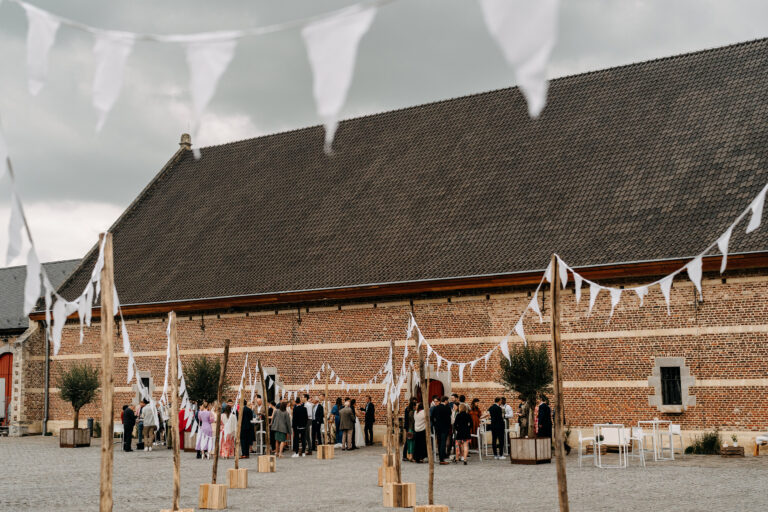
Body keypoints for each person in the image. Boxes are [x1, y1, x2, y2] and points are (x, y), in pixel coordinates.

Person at [433, 396, 452, 465]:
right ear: (446, 401)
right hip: (445, 428)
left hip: (438, 428)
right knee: (443, 443)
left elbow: (433, 417)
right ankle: (442, 459)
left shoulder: (436, 408)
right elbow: (449, 418)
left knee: (439, 442)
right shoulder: (447, 408)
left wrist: (435, 425)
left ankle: (441, 457)